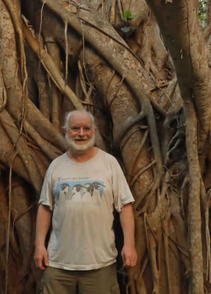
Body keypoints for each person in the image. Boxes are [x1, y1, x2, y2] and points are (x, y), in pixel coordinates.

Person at [34, 109, 137, 293]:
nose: (81, 133)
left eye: (86, 128)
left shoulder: (109, 163)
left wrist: (129, 244)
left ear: (94, 131)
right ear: (65, 131)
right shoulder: (56, 166)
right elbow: (45, 208)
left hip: (100, 264)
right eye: (75, 128)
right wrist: (39, 245)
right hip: (58, 264)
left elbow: (125, 206)